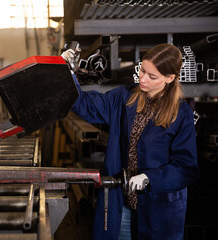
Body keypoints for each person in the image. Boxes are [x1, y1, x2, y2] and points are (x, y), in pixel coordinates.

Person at [62, 43, 200, 240]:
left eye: (152, 77)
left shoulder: (181, 114)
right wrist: (66, 72)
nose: (142, 79)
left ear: (170, 79)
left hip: (158, 210)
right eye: (142, 70)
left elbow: (186, 168)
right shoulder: (124, 97)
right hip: (121, 203)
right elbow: (84, 105)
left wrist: (150, 178)